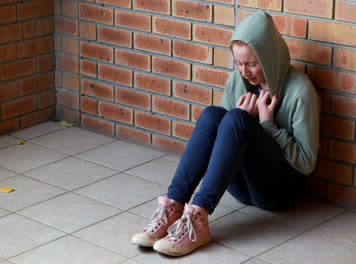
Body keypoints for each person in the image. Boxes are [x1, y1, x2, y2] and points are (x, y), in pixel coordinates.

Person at [131, 11, 320, 257]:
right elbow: (225, 135)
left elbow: (306, 163)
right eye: (239, 63)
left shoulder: (300, 90)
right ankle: (174, 208)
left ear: (269, 57)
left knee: (236, 118)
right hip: (242, 189)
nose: (244, 72)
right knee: (213, 114)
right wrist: (240, 120)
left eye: (251, 63)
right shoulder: (238, 81)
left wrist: (267, 124)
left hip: (280, 193)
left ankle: (197, 220)